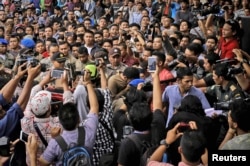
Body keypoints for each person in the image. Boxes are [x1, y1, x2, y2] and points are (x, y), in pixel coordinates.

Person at [39, 70, 99, 165]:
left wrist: (32, 153)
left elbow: (42, 163)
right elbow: (94, 107)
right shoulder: (89, 131)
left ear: (60, 122)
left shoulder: (55, 143)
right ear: (79, 119)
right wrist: (88, 83)